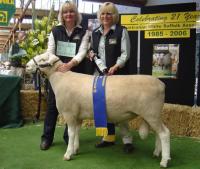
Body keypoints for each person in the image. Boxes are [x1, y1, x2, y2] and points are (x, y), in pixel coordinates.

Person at [40, 1, 89, 150]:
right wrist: (58, 64)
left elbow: (83, 51)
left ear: (76, 14)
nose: (68, 14)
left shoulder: (84, 31)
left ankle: (69, 138)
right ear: (62, 15)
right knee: (52, 107)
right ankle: (47, 138)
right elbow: (50, 51)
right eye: (65, 12)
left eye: (71, 11)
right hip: (57, 75)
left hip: (76, 74)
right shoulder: (55, 30)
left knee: (73, 108)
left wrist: (70, 64)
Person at [88, 2, 133, 152]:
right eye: (103, 13)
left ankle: (127, 141)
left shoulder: (121, 31)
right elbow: (93, 52)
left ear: (114, 16)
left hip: (118, 75)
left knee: (121, 108)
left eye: (109, 13)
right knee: (102, 107)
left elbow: (125, 53)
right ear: (99, 16)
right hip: (100, 77)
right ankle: (108, 137)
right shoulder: (94, 33)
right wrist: (91, 55)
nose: (105, 16)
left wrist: (116, 66)